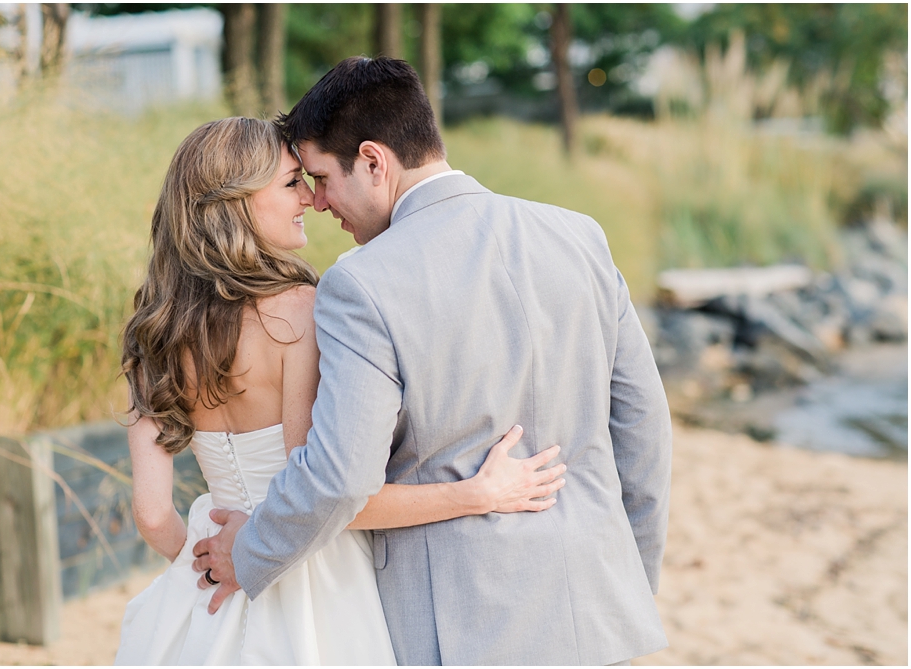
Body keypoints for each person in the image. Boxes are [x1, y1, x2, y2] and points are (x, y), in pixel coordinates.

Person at [193, 57, 673, 666]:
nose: (316, 203)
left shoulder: (361, 283)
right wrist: (630, 580)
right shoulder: (579, 235)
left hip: (462, 627)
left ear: (373, 161)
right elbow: (644, 430)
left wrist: (250, 551)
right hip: (599, 611)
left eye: (320, 177)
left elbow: (340, 475)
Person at [114, 117, 565, 665]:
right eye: (289, 183)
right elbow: (334, 494)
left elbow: (152, 514)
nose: (309, 196)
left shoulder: (154, 330)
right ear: (235, 204)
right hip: (315, 579)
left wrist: (208, 562)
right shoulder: (300, 311)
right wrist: (477, 494)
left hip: (210, 579)